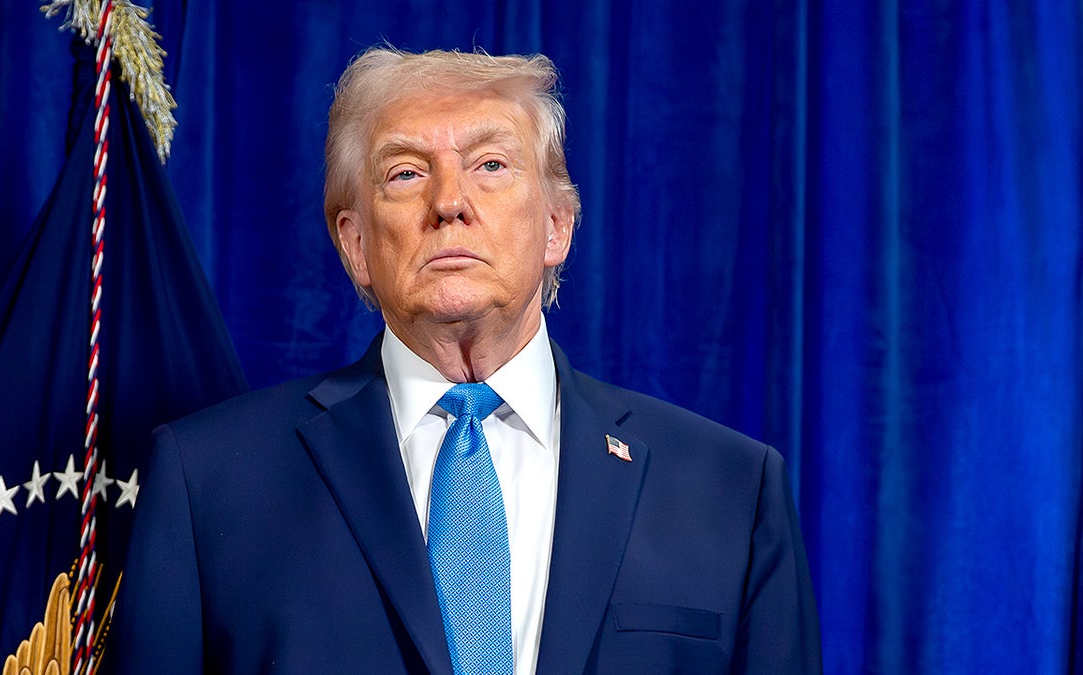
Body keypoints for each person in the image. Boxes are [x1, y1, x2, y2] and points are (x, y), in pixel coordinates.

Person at [109, 47, 821, 674]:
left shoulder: (731, 491)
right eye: (405, 173)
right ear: (355, 244)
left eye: (490, 165)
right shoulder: (209, 483)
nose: (449, 202)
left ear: (557, 225)